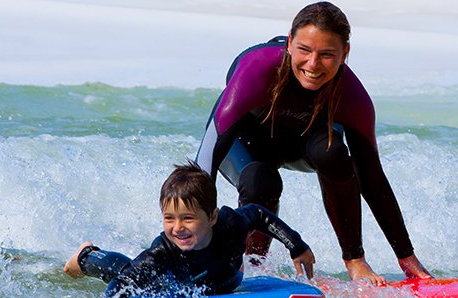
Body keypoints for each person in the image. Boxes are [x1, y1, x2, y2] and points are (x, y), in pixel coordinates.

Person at [195, 1, 432, 286]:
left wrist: (406, 256)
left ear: (345, 53)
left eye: (327, 54)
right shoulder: (256, 70)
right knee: (261, 179)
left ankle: (355, 260)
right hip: (246, 144)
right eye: (304, 50)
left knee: (332, 152)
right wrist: (195, 247)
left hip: (304, 143)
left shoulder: (352, 98)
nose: (313, 64)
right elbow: (204, 164)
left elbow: (372, 179)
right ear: (290, 42)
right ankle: (251, 266)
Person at [63, 161, 315, 297]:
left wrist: (297, 246)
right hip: (173, 285)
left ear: (212, 217)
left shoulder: (230, 225)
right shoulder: (162, 252)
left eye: (188, 218)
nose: (178, 228)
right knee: (130, 273)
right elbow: (120, 287)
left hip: (226, 283)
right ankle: (87, 256)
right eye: (169, 218)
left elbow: (261, 215)